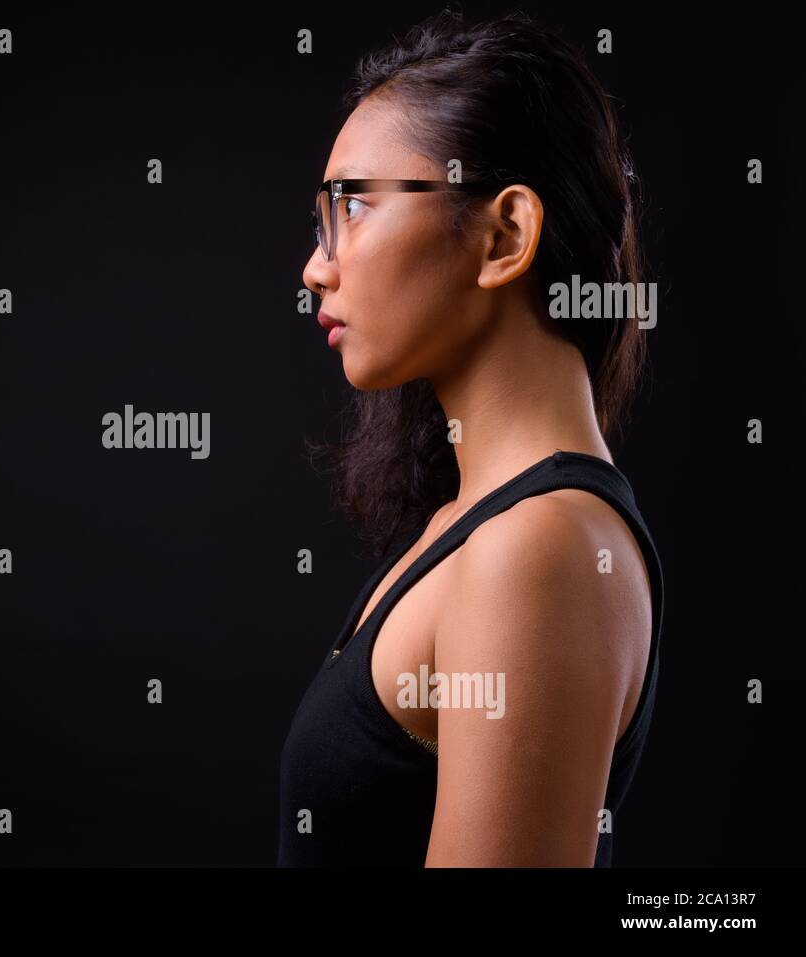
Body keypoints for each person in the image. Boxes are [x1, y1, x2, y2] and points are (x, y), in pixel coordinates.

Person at [278, 8, 665, 867]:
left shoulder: (539, 548)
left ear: (505, 236)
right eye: (319, 223)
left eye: (355, 206)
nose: (316, 264)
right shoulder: (480, 525)